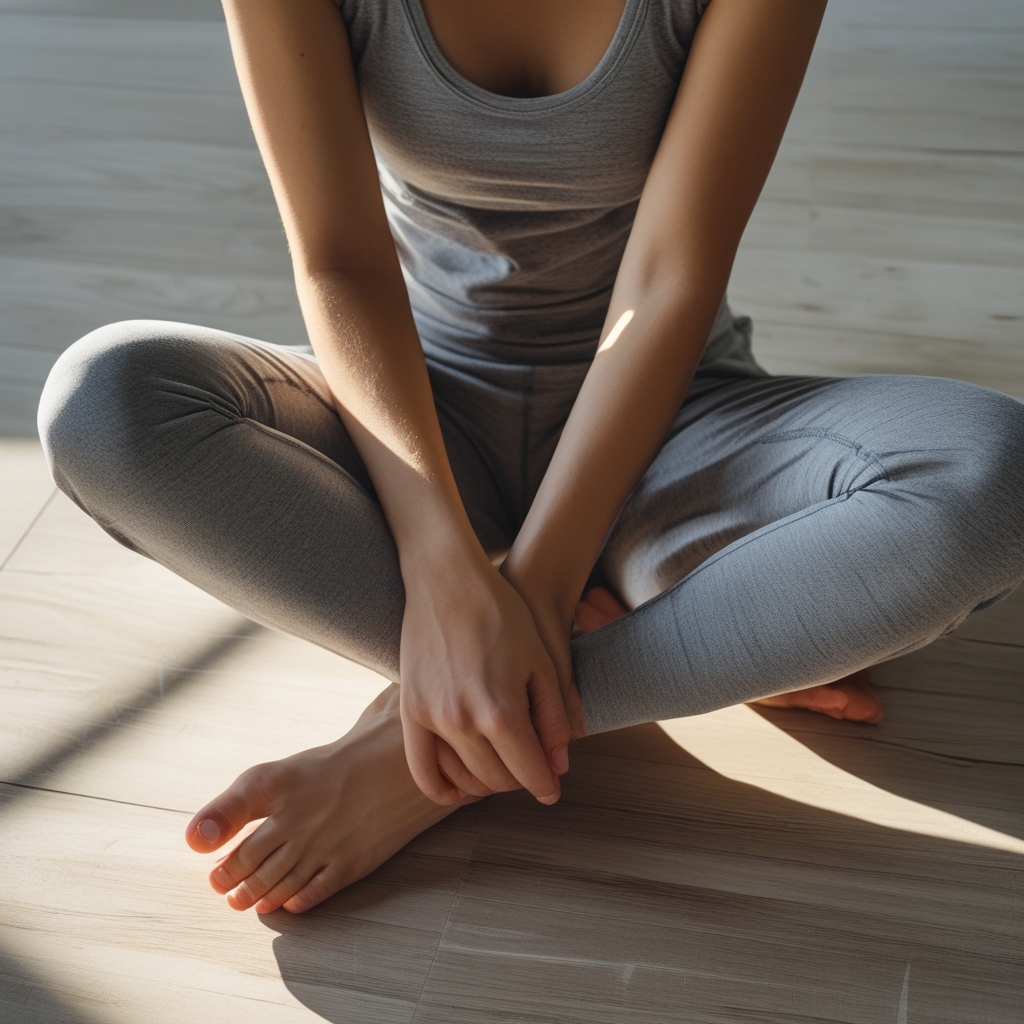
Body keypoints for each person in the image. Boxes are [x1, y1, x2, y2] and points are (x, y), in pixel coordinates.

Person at [37, 0, 1024, 916]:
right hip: (417, 422)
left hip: (673, 426)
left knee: (989, 482)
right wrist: (440, 565)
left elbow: (671, 273)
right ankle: (669, 644)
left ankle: (427, 747)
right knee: (104, 403)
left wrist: (539, 588)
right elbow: (338, 259)